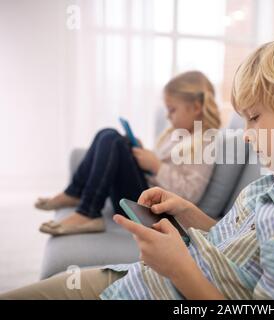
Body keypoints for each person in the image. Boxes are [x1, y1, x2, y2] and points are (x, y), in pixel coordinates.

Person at [1, 33, 274, 299]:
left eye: (255, 118)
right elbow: (239, 251)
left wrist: (178, 267)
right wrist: (192, 215)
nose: (245, 135)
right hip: (133, 280)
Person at [35, 71, 221, 236]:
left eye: (172, 110)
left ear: (196, 108)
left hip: (151, 209)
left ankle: (88, 213)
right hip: (144, 190)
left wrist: (156, 166)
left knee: (112, 140)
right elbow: (161, 167)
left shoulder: (205, 142)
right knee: (107, 134)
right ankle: (74, 193)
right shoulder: (175, 134)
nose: (167, 116)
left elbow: (189, 195)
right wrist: (143, 155)